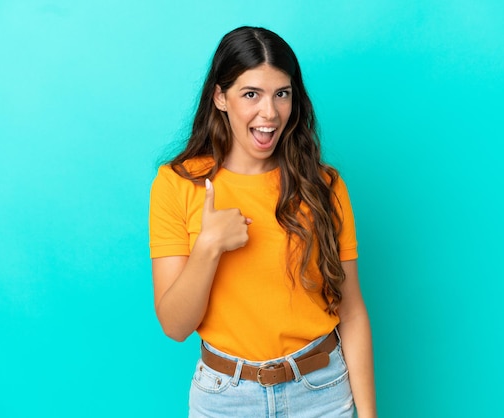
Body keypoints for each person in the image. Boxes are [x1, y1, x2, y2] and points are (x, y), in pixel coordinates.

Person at [149, 26, 376, 417]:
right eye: (250, 94)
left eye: (281, 94)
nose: (270, 113)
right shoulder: (177, 184)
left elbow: (351, 312)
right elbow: (175, 326)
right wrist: (209, 246)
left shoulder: (325, 186)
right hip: (225, 399)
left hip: (321, 392)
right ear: (220, 97)